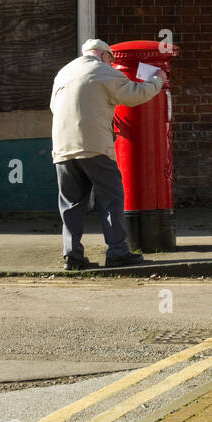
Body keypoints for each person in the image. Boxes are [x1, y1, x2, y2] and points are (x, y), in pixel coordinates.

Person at [51, 38, 165, 270]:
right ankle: (117, 252)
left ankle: (72, 255)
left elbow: (55, 106)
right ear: (104, 56)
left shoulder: (64, 72)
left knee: (71, 204)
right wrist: (158, 80)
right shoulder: (103, 70)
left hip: (62, 147)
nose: (111, 64)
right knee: (111, 199)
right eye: (111, 60)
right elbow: (135, 94)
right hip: (94, 146)